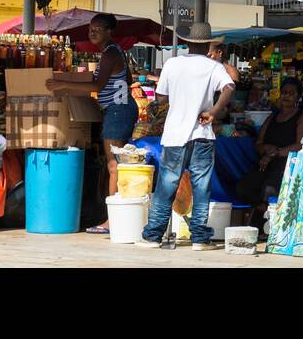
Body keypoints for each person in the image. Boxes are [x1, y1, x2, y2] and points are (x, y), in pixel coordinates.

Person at [136, 23, 235, 250]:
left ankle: (153, 236)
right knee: (201, 188)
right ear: (208, 44)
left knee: (166, 186)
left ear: (187, 43)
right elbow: (229, 87)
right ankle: (199, 239)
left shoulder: (172, 64)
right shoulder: (213, 66)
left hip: (174, 135)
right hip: (202, 134)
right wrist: (213, 111)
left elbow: (161, 99)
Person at [46, 12, 136, 235]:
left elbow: (97, 85)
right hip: (119, 110)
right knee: (114, 165)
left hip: (118, 112)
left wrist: (62, 86)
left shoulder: (110, 54)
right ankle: (112, 214)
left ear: (109, 32)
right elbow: (126, 81)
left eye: (98, 28)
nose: (92, 31)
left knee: (114, 165)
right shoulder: (114, 53)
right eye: (90, 28)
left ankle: (112, 220)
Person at [235, 77, 303, 229]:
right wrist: (265, 150)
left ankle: (265, 221)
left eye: (291, 93)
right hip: (267, 163)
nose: (286, 96)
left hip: (288, 164)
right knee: (244, 186)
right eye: (284, 92)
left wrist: (276, 153)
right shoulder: (272, 117)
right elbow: (258, 143)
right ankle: (261, 209)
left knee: (270, 188)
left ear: (298, 96)